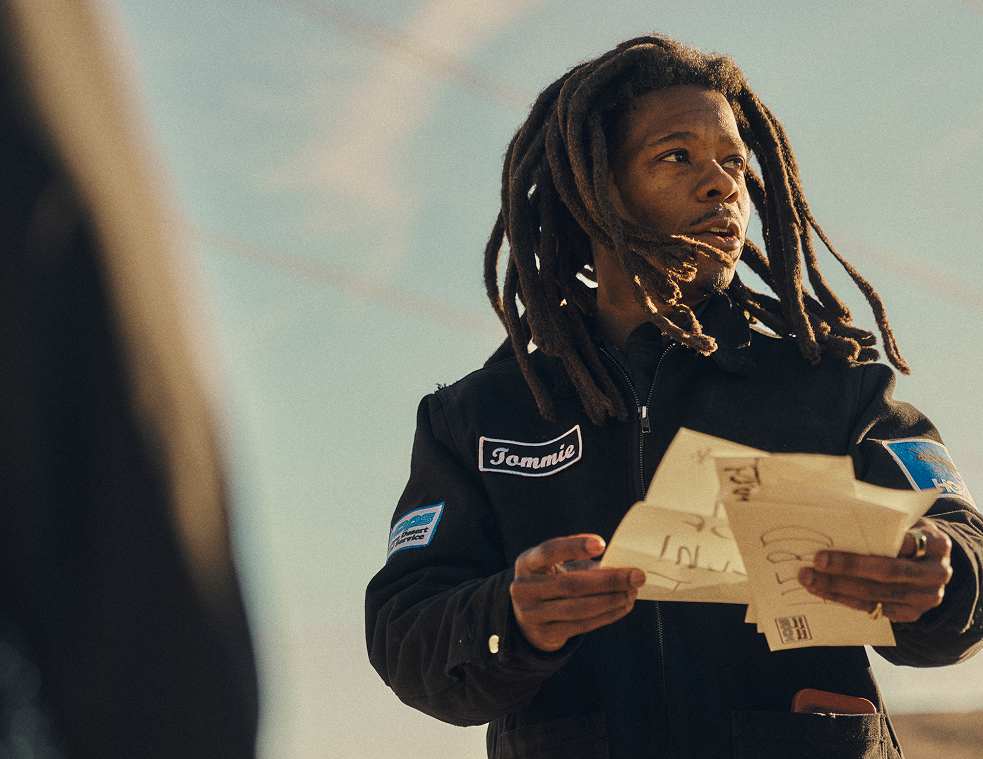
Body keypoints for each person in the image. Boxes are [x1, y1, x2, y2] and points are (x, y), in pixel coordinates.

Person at [365, 36, 982, 758]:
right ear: (589, 192)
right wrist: (511, 615)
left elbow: (962, 537)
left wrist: (940, 576)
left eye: (732, 161)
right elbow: (405, 629)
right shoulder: (476, 418)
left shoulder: (835, 385)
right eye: (676, 156)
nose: (722, 184)